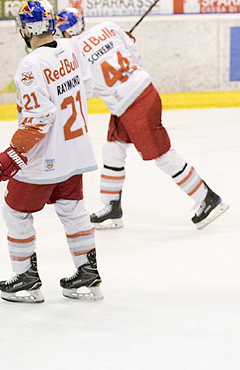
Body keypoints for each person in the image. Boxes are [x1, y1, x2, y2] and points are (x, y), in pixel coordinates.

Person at [56, 8, 228, 230]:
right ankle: (112, 208)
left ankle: (208, 198)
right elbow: (135, 54)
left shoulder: (73, 53)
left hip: (135, 105)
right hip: (138, 93)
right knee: (113, 149)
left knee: (163, 155)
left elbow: (85, 90)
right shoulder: (108, 28)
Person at [0, 0, 102, 304]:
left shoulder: (30, 65)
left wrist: (13, 153)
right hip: (75, 152)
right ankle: (87, 275)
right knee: (73, 209)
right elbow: (87, 89)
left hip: (43, 158)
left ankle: (26, 279)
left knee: (15, 212)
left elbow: (39, 117)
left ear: (25, 30)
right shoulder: (72, 48)